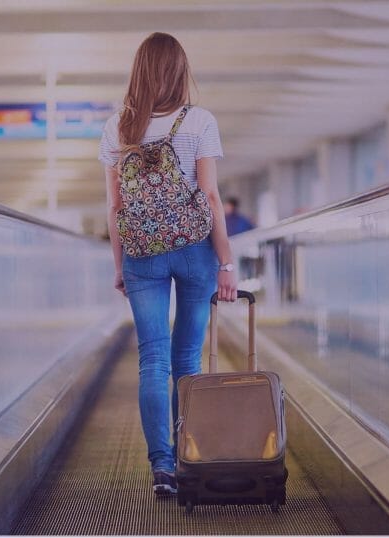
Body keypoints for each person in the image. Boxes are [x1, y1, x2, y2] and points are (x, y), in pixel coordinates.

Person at [99, 32, 237, 496]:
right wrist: (226, 261)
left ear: (138, 71)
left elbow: (115, 207)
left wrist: (120, 265)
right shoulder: (199, 121)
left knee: (152, 360)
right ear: (181, 72)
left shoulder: (118, 127)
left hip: (142, 254)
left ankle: (161, 467)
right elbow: (211, 196)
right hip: (195, 249)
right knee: (186, 358)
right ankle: (190, 452)